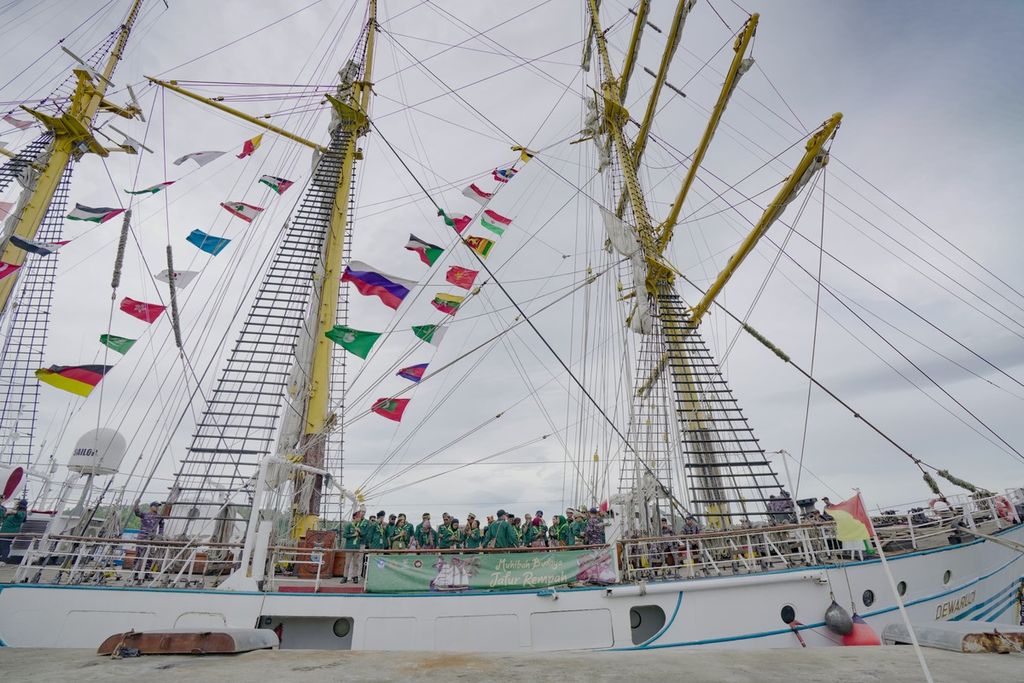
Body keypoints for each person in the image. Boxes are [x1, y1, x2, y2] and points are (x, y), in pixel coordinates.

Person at [341, 509, 367, 583]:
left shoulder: (360, 526)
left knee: (356, 563)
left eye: (360, 517)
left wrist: (360, 532)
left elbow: (363, 536)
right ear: (354, 517)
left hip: (356, 547)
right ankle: (345, 577)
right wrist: (353, 535)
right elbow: (344, 535)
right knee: (347, 563)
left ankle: (355, 576)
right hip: (349, 547)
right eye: (358, 517)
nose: (359, 518)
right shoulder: (349, 525)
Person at [0, 498, 28, 564]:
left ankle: (3, 560)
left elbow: (17, 514)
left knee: (5, 545)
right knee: (2, 544)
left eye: (16, 504)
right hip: (4, 531)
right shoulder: (14, 513)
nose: (14, 505)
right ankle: (2, 558)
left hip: (9, 532)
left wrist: (10, 511)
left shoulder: (22, 513)